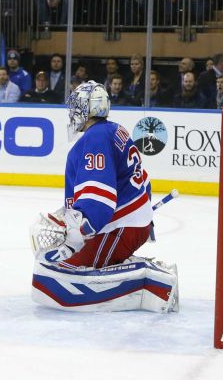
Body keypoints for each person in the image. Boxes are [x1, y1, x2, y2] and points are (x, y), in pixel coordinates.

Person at [30, 80, 178, 313]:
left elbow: (99, 197)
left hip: (121, 227)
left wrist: (79, 232)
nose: (73, 112)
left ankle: (153, 283)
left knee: (60, 272)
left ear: (91, 107)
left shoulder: (95, 138)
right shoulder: (113, 130)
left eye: (78, 106)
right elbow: (141, 181)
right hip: (130, 223)